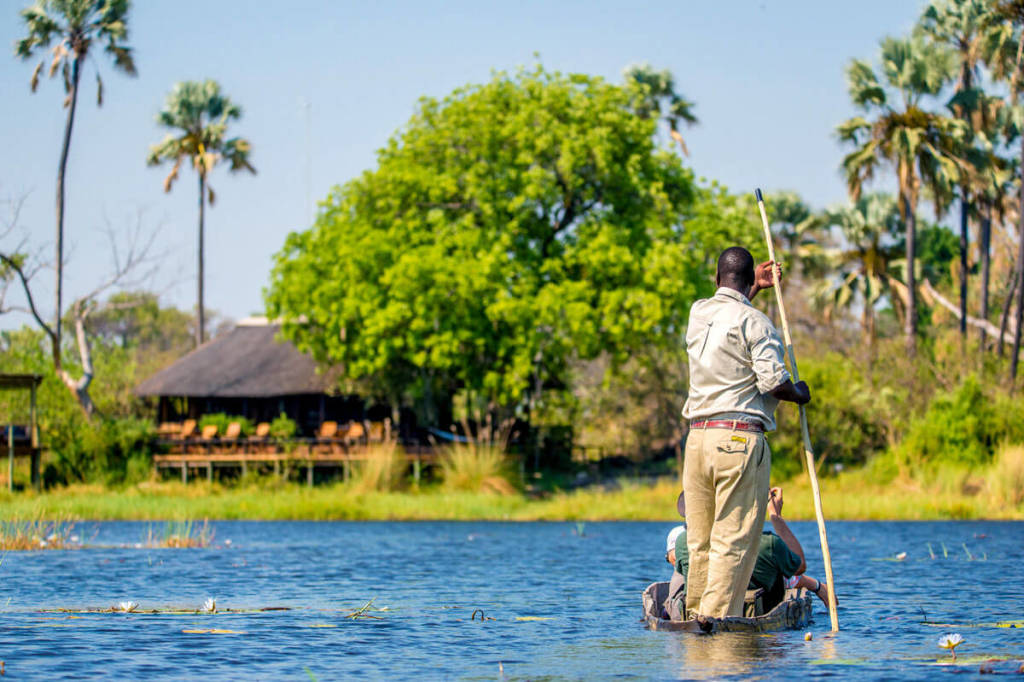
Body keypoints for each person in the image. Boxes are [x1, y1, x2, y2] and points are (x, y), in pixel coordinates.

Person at [681, 246, 811, 622]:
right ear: (749, 277)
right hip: (738, 440)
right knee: (732, 542)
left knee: (701, 540)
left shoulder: (697, 313)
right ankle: (716, 624)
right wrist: (799, 393)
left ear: (716, 278)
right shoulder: (757, 323)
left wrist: (753, 286)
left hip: (698, 440)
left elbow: (728, 317)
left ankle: (695, 619)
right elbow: (774, 383)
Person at [666, 487, 835, 620]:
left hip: (698, 616)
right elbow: (800, 565)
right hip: (752, 619)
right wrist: (776, 517)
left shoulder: (683, 542)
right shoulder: (768, 545)